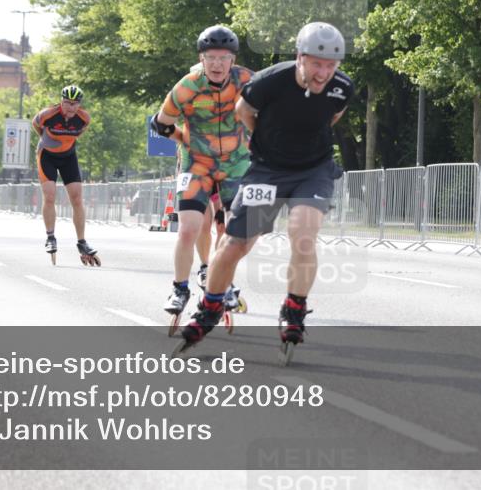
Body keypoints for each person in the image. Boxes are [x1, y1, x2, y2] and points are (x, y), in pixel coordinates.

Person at [176, 22, 353, 358]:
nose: (323, 74)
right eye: (316, 64)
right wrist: (268, 144)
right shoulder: (270, 81)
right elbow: (244, 112)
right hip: (268, 170)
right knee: (235, 244)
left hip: (313, 170)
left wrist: (303, 144)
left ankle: (294, 310)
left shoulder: (342, 88)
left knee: (303, 233)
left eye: (331, 66)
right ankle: (210, 307)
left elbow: (332, 117)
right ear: (300, 57)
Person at [151, 25, 252, 321]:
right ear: (202, 59)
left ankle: (225, 284)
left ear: (233, 60)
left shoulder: (248, 81)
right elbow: (161, 124)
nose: (217, 64)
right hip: (197, 163)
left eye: (224, 57)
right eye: (211, 57)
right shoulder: (187, 86)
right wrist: (185, 140)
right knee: (189, 228)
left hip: (236, 163)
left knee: (232, 231)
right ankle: (180, 288)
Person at [33, 84, 100, 265]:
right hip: (47, 156)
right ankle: (50, 237)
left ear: (79, 104)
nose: (71, 107)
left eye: (74, 104)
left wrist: (64, 143)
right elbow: (36, 124)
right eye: (67, 103)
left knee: (77, 198)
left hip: (68, 156)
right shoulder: (48, 114)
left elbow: (78, 133)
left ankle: (82, 242)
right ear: (61, 102)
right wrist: (46, 140)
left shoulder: (84, 118)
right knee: (49, 195)